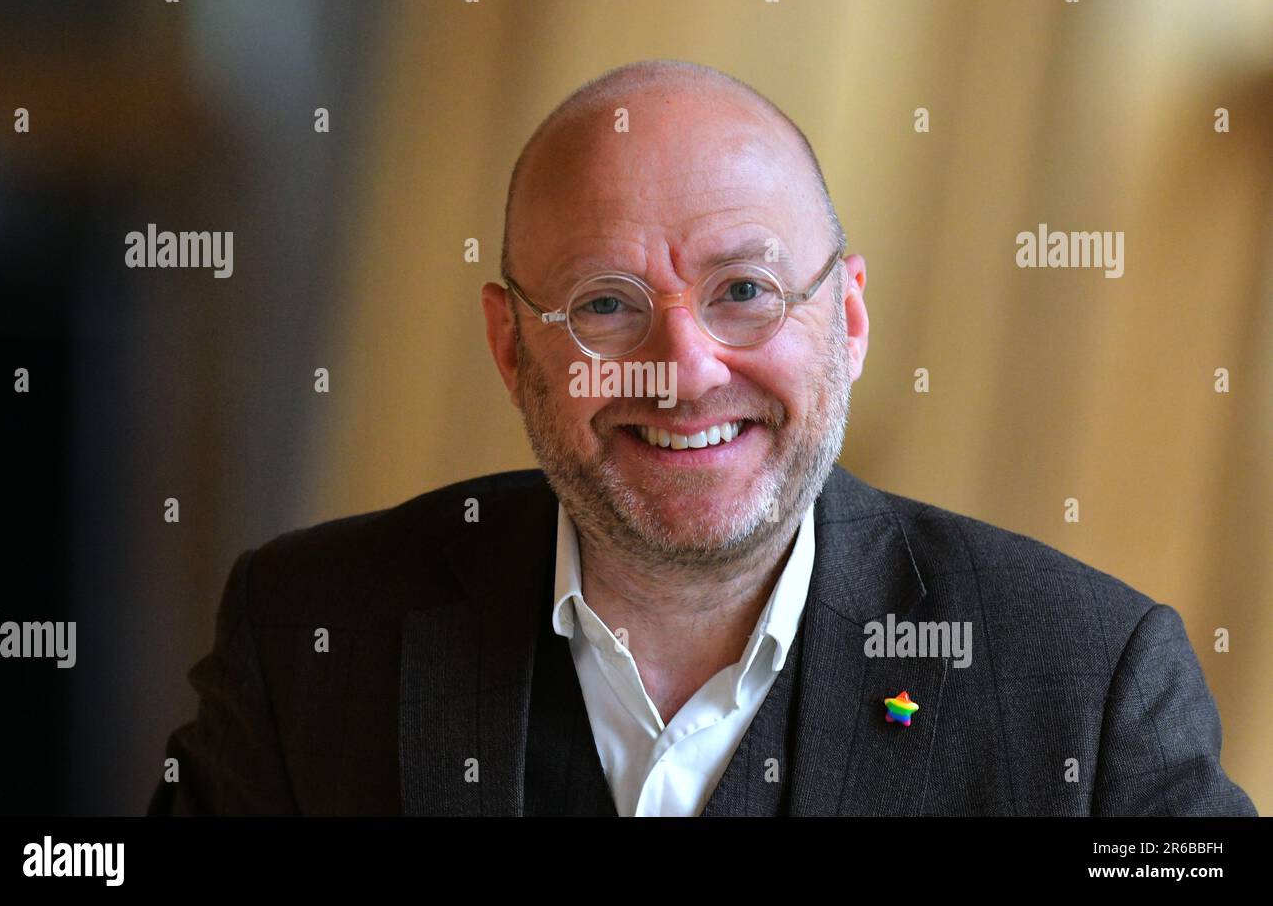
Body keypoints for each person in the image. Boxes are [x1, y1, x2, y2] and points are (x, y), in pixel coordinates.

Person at [148, 59, 1256, 816]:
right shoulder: (309, 635)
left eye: (744, 289)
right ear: (507, 344)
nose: (683, 371)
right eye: (605, 303)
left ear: (850, 318)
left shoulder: (1084, 679)